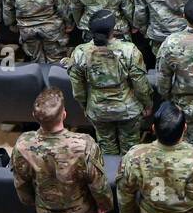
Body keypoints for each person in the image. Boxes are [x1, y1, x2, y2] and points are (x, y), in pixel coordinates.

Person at [12, 88, 113, 213]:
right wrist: (105, 205)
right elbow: (98, 185)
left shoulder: (22, 145)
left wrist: (33, 203)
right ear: (64, 114)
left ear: (34, 116)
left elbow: (22, 186)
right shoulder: (84, 144)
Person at [65, 9, 151, 155]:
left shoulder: (79, 52)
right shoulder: (129, 50)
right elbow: (140, 84)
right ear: (113, 29)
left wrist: (86, 106)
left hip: (98, 109)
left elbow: (78, 89)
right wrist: (147, 104)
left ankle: (110, 176)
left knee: (107, 150)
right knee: (130, 150)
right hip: (127, 109)